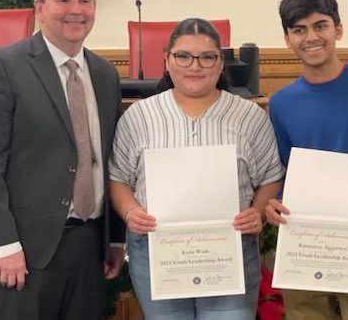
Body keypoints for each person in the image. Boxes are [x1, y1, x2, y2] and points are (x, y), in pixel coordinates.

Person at [0, 0, 126, 320]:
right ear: (40, 8)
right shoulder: (1, 66)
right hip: (21, 249)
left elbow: (111, 159)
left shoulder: (104, 74)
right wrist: (4, 244)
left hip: (88, 243)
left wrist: (115, 237)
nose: (75, 10)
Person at [108, 18, 285, 320]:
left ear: (220, 64)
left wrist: (257, 211)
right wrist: (130, 212)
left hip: (229, 252)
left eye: (207, 57)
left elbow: (270, 176)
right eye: (183, 56)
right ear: (167, 60)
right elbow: (118, 178)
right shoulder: (138, 117)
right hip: (157, 252)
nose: (195, 66)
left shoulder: (248, 117)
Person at [265, 0, 348, 320]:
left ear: (338, 29)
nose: (311, 37)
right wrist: (274, 201)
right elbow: (281, 169)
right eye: (299, 30)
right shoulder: (281, 103)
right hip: (303, 238)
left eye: (320, 25)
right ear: (287, 39)